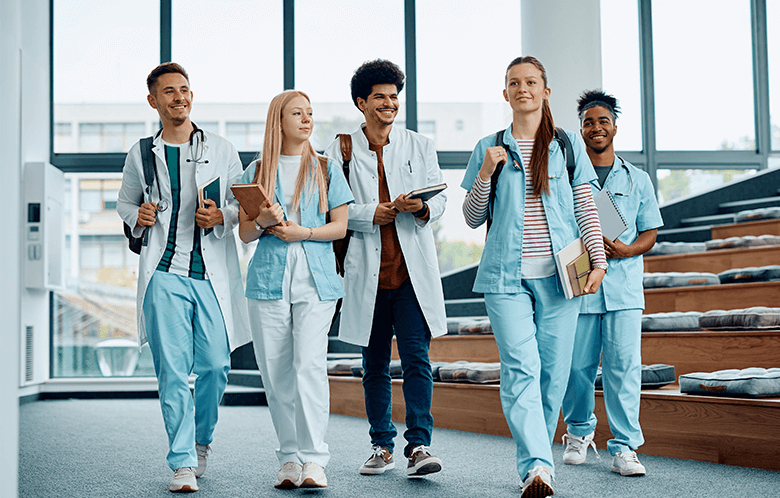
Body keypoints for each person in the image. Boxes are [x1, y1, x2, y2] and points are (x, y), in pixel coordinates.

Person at [460, 56, 607, 497]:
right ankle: (538, 467)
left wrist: (597, 261)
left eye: (530, 82)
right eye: (513, 83)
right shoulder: (489, 146)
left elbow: (586, 206)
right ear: (505, 94)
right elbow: (471, 218)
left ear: (545, 90)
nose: (522, 88)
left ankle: (536, 463)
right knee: (521, 369)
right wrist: (485, 173)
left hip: (565, 275)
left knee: (553, 375)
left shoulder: (565, 144)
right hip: (505, 279)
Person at [117, 62, 250, 493]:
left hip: (209, 274)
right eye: (170, 92)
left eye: (185, 90)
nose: (180, 97)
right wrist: (136, 216)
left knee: (216, 365)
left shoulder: (223, 148)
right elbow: (124, 205)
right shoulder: (140, 154)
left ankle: (201, 440)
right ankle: (182, 462)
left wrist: (222, 216)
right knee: (172, 371)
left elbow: (241, 206)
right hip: (163, 273)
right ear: (154, 100)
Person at [324, 59, 447, 479]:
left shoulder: (419, 144)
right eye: (380, 97)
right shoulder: (339, 149)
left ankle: (419, 446)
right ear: (362, 103)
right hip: (367, 277)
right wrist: (366, 214)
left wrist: (425, 206)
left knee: (416, 360)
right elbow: (329, 206)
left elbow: (442, 199)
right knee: (373, 364)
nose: (389, 103)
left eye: (394, 97)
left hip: (412, 276)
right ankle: (381, 445)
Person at [238, 90, 353, 489]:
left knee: (307, 366)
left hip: (317, 283)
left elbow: (340, 227)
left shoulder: (325, 168)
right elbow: (244, 233)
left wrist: (301, 232)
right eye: (297, 113)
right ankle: (289, 457)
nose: (307, 119)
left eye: (310, 113)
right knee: (276, 372)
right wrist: (265, 221)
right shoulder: (256, 171)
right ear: (279, 121)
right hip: (267, 283)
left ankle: (314, 458)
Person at [560, 90, 663, 477]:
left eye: (603, 121)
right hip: (581, 286)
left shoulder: (637, 179)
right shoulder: (568, 177)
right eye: (588, 122)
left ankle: (625, 448)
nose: (596, 127)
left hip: (623, 290)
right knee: (577, 367)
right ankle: (578, 433)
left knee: (623, 368)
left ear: (615, 127)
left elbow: (651, 232)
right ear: (581, 130)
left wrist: (627, 249)